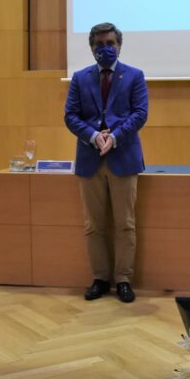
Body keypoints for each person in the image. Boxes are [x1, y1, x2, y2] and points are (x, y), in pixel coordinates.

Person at [64, 23, 149, 303]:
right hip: (90, 159)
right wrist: (93, 135)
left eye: (110, 43)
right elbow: (70, 116)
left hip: (123, 157)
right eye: (99, 44)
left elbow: (140, 114)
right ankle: (100, 278)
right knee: (94, 225)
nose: (105, 49)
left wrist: (114, 137)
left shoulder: (134, 76)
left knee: (125, 224)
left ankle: (124, 279)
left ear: (119, 45)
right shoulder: (79, 78)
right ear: (91, 48)